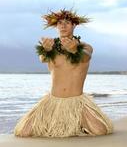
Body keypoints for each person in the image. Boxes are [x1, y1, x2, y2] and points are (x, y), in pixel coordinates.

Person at [14, 9, 114, 138]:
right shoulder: (49, 47)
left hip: (77, 103)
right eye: (60, 23)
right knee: (23, 132)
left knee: (100, 131)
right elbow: (42, 58)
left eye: (67, 22)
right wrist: (47, 50)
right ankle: (56, 124)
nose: (63, 25)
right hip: (53, 101)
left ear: (74, 25)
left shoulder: (85, 47)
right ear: (56, 26)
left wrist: (74, 50)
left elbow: (86, 57)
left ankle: (77, 123)